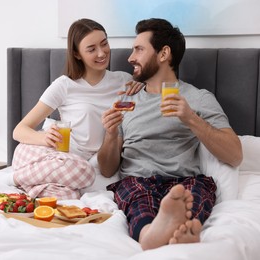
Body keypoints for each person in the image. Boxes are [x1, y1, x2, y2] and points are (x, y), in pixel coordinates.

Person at [97, 18, 243, 250]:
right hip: (138, 180)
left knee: (194, 194)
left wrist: (191, 119)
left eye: (139, 49)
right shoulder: (126, 99)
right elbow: (106, 169)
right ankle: (158, 233)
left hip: (185, 180)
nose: (130, 57)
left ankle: (166, 230)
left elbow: (235, 155)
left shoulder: (198, 98)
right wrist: (111, 134)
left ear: (163, 53)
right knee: (138, 201)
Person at [10, 18, 143, 199]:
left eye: (104, 44)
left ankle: (30, 185)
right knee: (80, 173)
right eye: (91, 49)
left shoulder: (123, 81)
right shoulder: (64, 85)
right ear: (77, 54)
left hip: (82, 163)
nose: (101, 53)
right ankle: (17, 177)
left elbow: (148, 100)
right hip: (53, 153)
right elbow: (19, 131)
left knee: (71, 192)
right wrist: (43, 137)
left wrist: (139, 87)